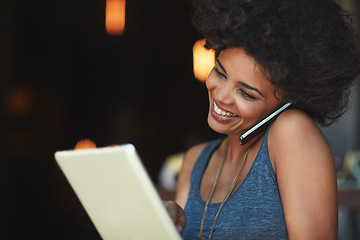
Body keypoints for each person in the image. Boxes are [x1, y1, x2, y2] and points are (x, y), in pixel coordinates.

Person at [165, 0, 360, 239]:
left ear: (288, 100)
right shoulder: (195, 161)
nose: (221, 95)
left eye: (246, 93)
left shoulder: (292, 133)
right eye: (219, 72)